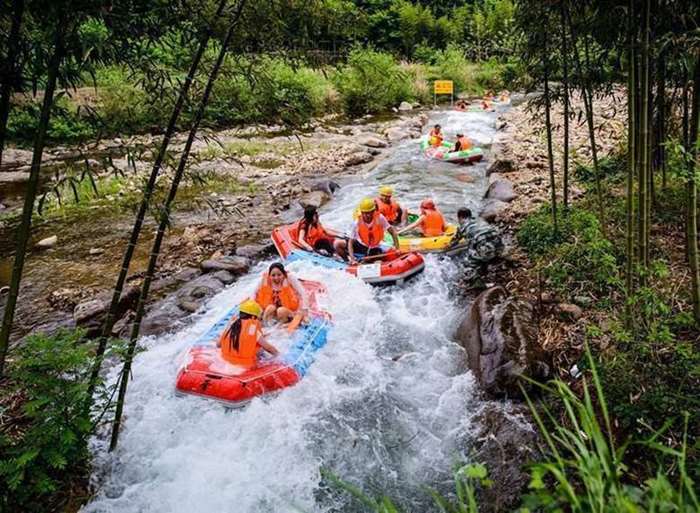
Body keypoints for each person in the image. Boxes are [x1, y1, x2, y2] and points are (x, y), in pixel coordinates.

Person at [218, 299, 279, 369]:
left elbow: (218, 344)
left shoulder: (231, 325)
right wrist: (278, 355)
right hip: (246, 365)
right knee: (261, 350)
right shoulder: (252, 330)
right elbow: (268, 348)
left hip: (226, 361)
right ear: (253, 317)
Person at [348, 197, 400, 265]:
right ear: (362, 212)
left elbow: (393, 232)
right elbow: (350, 242)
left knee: (376, 261)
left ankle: (366, 261)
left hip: (375, 246)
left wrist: (397, 248)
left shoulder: (380, 218)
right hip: (362, 245)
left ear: (373, 211)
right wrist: (352, 259)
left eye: (370, 212)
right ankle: (348, 261)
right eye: (365, 213)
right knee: (338, 244)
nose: (368, 215)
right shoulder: (356, 223)